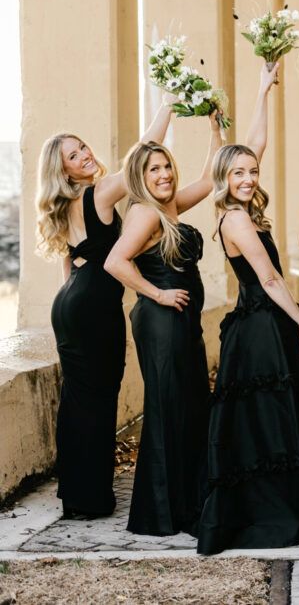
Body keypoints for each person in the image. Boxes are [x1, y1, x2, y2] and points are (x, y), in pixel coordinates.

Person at [196, 64, 299, 554]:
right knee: (269, 424)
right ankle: (275, 515)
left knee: (280, 421)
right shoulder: (234, 219)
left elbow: (253, 143)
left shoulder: (240, 207)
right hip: (261, 329)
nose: (248, 177)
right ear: (223, 177)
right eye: (238, 172)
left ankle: (295, 508)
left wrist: (262, 90)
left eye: (252, 171)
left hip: (265, 325)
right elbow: (270, 277)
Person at [35, 95, 176, 519]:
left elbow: (69, 260)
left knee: (78, 399)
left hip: (71, 302)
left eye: (82, 147)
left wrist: (72, 307)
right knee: (99, 400)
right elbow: (142, 152)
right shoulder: (97, 194)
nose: (85, 155)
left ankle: (77, 496)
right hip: (93, 305)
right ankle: (91, 499)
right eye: (73, 155)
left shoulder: (66, 205)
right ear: (63, 171)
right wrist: (167, 103)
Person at [104, 114, 221, 536]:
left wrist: (214, 130)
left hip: (180, 321)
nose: (164, 173)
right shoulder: (145, 215)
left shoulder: (167, 207)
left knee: (187, 407)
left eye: (167, 165)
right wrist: (158, 294)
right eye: (153, 168)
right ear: (140, 176)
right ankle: (165, 511)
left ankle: (181, 502)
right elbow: (114, 262)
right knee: (171, 408)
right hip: (162, 320)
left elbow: (210, 181)